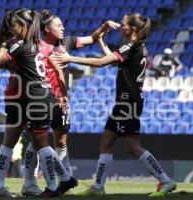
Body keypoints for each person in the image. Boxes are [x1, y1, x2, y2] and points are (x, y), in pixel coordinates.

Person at [53, 13, 176, 197]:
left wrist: (69, 58)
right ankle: (99, 186)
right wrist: (101, 42)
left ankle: (166, 181)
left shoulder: (131, 46)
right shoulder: (137, 47)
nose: (121, 27)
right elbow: (113, 60)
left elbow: (102, 63)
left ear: (133, 29)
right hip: (128, 101)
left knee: (132, 146)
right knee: (106, 140)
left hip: (128, 102)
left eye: (124, 24)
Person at [22, 9, 118, 196]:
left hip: (62, 101)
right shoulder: (37, 46)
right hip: (42, 99)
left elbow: (92, 38)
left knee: (61, 142)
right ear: (47, 28)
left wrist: (104, 27)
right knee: (36, 140)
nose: (63, 28)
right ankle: (30, 180)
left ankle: (63, 182)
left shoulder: (68, 42)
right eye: (59, 25)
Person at [0, 8, 77, 198]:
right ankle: (42, 182)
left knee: (30, 142)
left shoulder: (17, 44)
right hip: (35, 96)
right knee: (33, 141)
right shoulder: (43, 45)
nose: (12, 28)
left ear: (23, 26)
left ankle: (50, 182)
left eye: (15, 24)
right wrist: (63, 94)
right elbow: (56, 67)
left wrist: (5, 46)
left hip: (26, 97)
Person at [0, 9, 27, 198]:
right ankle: (30, 183)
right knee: (37, 141)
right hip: (27, 94)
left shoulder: (12, 44)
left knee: (12, 142)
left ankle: (0, 185)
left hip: (17, 92)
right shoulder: (17, 44)